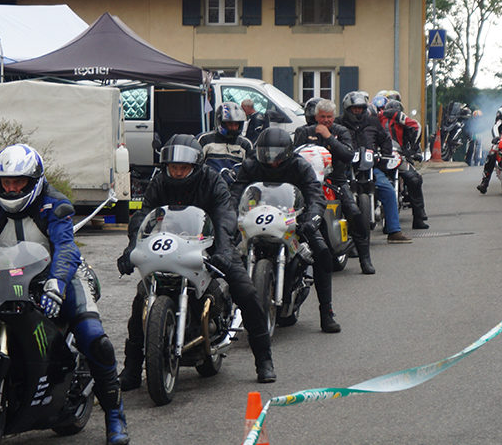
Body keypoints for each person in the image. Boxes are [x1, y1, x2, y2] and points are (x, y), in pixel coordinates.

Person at [0, 144, 129, 444]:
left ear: (34, 179)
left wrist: (57, 283)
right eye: (6, 183)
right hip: (9, 278)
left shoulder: (55, 205)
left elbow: (66, 247)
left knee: (94, 338)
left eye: (18, 182)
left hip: (57, 277)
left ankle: (115, 415)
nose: (11, 189)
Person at [116, 135, 277, 387]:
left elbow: (225, 216)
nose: (178, 173)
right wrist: (131, 249)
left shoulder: (212, 181)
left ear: (195, 166)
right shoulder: (158, 183)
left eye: (183, 168)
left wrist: (224, 250)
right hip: (171, 246)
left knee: (246, 291)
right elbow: (143, 216)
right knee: (141, 298)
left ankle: (264, 360)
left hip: (211, 246)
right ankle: (132, 369)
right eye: (173, 168)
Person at [233, 128, 344, 331]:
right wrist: (231, 217)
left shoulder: (300, 166)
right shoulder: (250, 166)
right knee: (225, 252)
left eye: (276, 154)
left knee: (322, 252)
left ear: (287, 152)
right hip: (255, 218)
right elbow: (236, 193)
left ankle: (326, 311)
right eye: (266, 153)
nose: (271, 159)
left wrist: (311, 220)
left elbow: (314, 194)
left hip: (294, 218)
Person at [293, 98, 375, 274]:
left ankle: (365, 259)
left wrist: (328, 137)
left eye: (329, 117)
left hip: (336, 181)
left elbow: (347, 154)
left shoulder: (341, 131)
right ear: (316, 116)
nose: (326, 120)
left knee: (354, 212)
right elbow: (294, 155)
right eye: (323, 117)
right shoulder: (303, 132)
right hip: (309, 182)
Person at [337, 91, 411, 244]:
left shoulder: (372, 122)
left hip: (371, 166)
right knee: (336, 194)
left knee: (389, 191)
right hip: (347, 168)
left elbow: (385, 140)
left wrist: (383, 157)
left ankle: (394, 231)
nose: (357, 111)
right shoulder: (339, 123)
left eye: (360, 108)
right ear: (347, 109)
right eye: (354, 108)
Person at [378, 100, 429, 229]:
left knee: (415, 179)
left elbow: (416, 128)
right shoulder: (378, 118)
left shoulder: (403, 121)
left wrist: (413, 150)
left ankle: (419, 217)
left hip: (399, 155)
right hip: (381, 155)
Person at [198, 101, 254, 176]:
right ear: (221, 122)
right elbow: (196, 166)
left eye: (236, 124)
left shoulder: (245, 144)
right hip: (211, 184)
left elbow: (250, 171)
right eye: (230, 124)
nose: (233, 128)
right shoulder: (204, 140)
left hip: (235, 185)